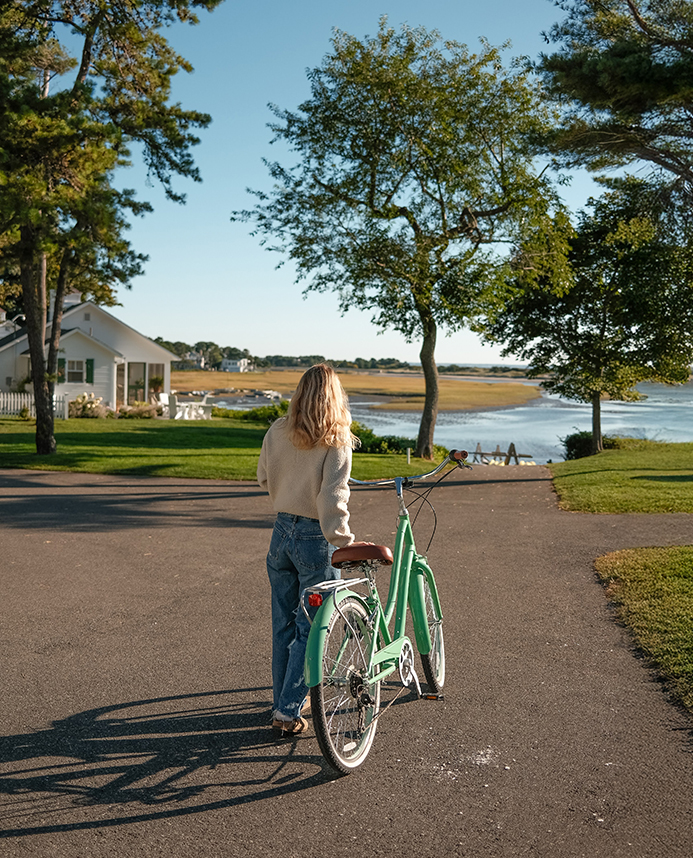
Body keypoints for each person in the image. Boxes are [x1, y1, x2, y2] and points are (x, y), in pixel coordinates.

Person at [257, 364, 357, 735]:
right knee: (311, 629)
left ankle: (282, 703)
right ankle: (286, 711)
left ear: (300, 392)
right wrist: (343, 541)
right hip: (317, 539)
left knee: (283, 625)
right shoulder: (337, 437)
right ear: (335, 396)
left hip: (281, 532)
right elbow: (333, 497)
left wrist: (286, 498)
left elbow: (263, 476)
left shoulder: (278, 430)